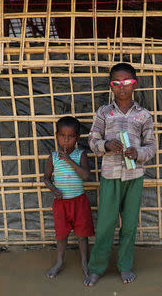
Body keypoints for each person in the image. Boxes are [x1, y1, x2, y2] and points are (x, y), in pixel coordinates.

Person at [84, 63, 156, 286]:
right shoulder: (104, 113)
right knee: (105, 223)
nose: (121, 87)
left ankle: (125, 266)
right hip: (110, 175)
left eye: (126, 83)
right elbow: (92, 141)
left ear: (134, 84)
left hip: (134, 176)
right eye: (116, 83)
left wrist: (139, 153)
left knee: (130, 224)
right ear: (111, 86)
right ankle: (96, 268)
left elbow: (152, 146)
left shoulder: (143, 115)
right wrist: (106, 145)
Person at [43, 116, 95, 278]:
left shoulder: (81, 155)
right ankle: (59, 262)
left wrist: (70, 161)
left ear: (77, 138)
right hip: (61, 203)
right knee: (61, 234)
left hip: (79, 202)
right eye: (62, 136)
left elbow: (86, 175)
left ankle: (84, 262)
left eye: (70, 136)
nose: (66, 140)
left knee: (82, 234)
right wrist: (53, 189)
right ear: (57, 136)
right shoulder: (53, 157)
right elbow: (46, 178)